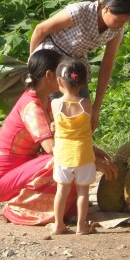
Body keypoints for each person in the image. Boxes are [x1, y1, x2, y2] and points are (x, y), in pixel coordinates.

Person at [0, 48, 117, 226]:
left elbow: (66, 137)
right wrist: (92, 161)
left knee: (70, 160)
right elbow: (53, 149)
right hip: (1, 179)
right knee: (63, 161)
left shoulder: (47, 101)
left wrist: (92, 151)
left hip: (22, 168)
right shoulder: (32, 106)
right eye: (61, 72)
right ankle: (18, 209)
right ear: (49, 75)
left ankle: (65, 208)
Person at [30, 0, 130, 131]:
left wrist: (97, 107)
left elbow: (107, 64)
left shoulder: (117, 30)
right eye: (119, 20)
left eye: (125, 22)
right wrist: (33, 65)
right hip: (51, 59)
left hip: (75, 65)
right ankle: (51, 142)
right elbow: (40, 29)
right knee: (56, 117)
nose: (121, 25)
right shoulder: (80, 11)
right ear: (106, 9)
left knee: (83, 114)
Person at [49, 59, 96, 235]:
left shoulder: (55, 104)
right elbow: (86, 126)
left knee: (62, 190)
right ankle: (81, 226)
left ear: (59, 81)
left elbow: (58, 123)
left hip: (63, 154)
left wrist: (54, 125)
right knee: (83, 191)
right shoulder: (86, 104)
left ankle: (58, 225)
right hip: (83, 154)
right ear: (82, 82)